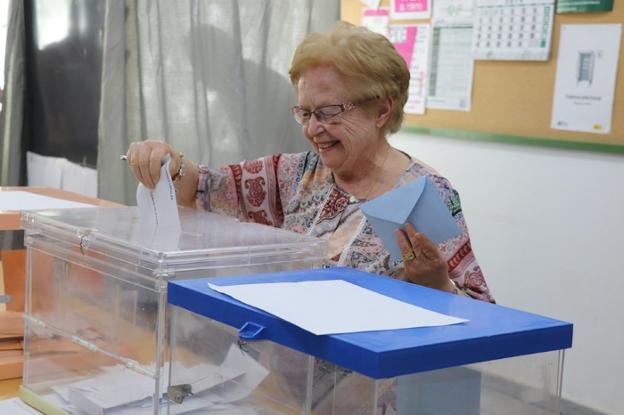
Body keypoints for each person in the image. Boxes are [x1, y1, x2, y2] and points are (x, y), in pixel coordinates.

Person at [126, 22, 493, 303]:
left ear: (381, 109)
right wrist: (167, 160)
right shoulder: (296, 175)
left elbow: (480, 312)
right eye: (305, 112)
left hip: (375, 392)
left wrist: (437, 283)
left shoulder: (422, 196)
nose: (313, 129)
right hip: (286, 384)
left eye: (329, 112)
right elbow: (203, 186)